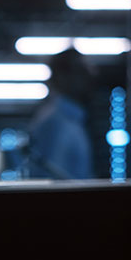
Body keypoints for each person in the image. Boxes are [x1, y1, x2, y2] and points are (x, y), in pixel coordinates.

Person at [25, 48, 95, 179]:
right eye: (81, 71)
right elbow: (51, 184)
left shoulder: (70, 120)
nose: (90, 76)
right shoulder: (54, 122)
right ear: (61, 76)